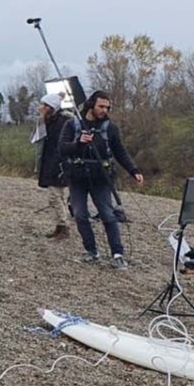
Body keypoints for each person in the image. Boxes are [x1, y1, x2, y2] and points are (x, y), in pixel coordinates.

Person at [58, 90, 144, 268]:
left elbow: (120, 151)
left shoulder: (110, 128)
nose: (104, 110)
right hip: (77, 177)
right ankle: (91, 250)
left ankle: (117, 253)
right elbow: (62, 149)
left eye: (107, 107)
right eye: (101, 106)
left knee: (108, 214)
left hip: (102, 178)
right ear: (91, 104)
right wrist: (79, 143)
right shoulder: (72, 125)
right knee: (80, 215)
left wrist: (133, 170)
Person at [32, 92, 71, 240]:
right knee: (58, 197)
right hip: (51, 162)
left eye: (43, 105)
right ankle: (60, 226)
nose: (40, 107)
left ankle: (63, 226)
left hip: (59, 164)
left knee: (56, 197)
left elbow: (62, 145)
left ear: (50, 107)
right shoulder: (49, 121)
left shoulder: (63, 122)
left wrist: (60, 164)